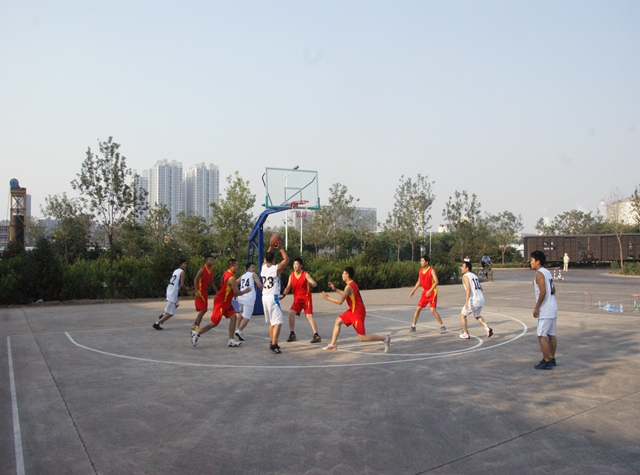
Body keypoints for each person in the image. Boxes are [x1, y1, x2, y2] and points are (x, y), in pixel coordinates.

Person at [321, 266, 391, 352]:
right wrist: (335, 289)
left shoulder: (349, 287)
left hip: (358, 312)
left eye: (343, 273)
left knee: (362, 338)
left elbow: (340, 301)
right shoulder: (352, 284)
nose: (342, 275)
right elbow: (346, 294)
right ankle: (333, 344)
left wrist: (327, 298)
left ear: (347, 275)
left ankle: (385, 338)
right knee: (338, 321)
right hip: (353, 310)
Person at [191, 258, 250, 347]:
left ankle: (231, 340)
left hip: (226, 302)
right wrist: (246, 291)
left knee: (234, 318)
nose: (238, 267)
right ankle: (197, 333)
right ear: (231, 266)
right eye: (236, 265)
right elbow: (237, 292)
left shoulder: (227, 273)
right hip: (221, 302)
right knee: (214, 322)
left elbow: (234, 283)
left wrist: (242, 277)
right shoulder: (231, 278)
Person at [280, 257, 321, 343]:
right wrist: (283, 295)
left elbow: (314, 283)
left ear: (301, 266)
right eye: (294, 264)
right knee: (291, 313)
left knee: (309, 316)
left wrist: (312, 284)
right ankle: (292, 334)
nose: (295, 266)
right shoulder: (291, 276)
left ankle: (316, 335)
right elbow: (288, 287)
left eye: (297, 264)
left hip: (306, 299)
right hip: (297, 300)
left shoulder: (305, 274)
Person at [530, 250, 558, 370]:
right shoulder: (547, 272)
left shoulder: (539, 273)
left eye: (532, 260)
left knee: (541, 335)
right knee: (551, 334)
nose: (530, 263)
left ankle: (546, 361)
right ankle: (552, 358)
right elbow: (553, 290)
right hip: (553, 307)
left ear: (538, 261)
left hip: (545, 309)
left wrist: (537, 307)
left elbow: (543, 291)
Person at [261, 241, 289, 353]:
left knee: (272, 322)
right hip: (273, 298)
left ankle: (272, 341)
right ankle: (274, 344)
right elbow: (286, 260)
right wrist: (280, 248)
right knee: (278, 321)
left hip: (264, 297)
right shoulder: (275, 269)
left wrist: (270, 247)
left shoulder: (263, 267)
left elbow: (265, 259)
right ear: (273, 259)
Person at [409, 255, 446, 333]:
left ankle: (442, 325)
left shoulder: (431, 270)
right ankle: (413, 326)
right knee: (418, 308)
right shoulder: (420, 271)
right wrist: (413, 291)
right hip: (425, 292)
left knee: (432, 310)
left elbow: (436, 281)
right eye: (421, 261)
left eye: (422, 261)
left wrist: (430, 290)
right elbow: (419, 282)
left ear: (427, 262)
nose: (421, 262)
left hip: (432, 292)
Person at [459, 261, 493, 339]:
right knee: (477, 315)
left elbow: (468, 289)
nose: (461, 268)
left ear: (467, 268)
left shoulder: (465, 276)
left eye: (462, 267)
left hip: (473, 300)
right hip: (481, 299)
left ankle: (465, 333)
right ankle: (487, 328)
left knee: (462, 315)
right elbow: (481, 288)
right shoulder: (474, 276)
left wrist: (466, 302)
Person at [153, 259, 188, 330]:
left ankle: (163, 315)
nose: (185, 265)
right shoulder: (182, 272)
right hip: (173, 293)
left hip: (169, 289)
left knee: (176, 304)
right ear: (180, 264)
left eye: (185, 263)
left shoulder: (176, 271)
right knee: (170, 313)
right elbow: (182, 285)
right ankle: (157, 323)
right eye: (184, 264)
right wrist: (187, 289)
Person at [234, 262, 263, 341]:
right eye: (252, 267)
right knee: (247, 316)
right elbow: (259, 284)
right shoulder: (253, 274)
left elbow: (235, 282)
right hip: (248, 298)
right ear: (248, 268)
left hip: (241, 297)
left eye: (254, 267)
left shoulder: (243, 275)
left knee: (241, 313)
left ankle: (238, 328)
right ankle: (239, 330)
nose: (254, 269)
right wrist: (263, 291)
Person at [190, 255, 218, 332]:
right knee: (203, 309)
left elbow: (211, 282)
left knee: (204, 309)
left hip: (205, 292)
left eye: (212, 260)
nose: (211, 262)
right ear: (206, 261)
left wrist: (216, 291)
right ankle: (196, 325)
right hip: (200, 291)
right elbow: (195, 279)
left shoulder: (211, 270)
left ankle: (195, 325)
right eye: (210, 260)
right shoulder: (202, 269)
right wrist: (196, 291)